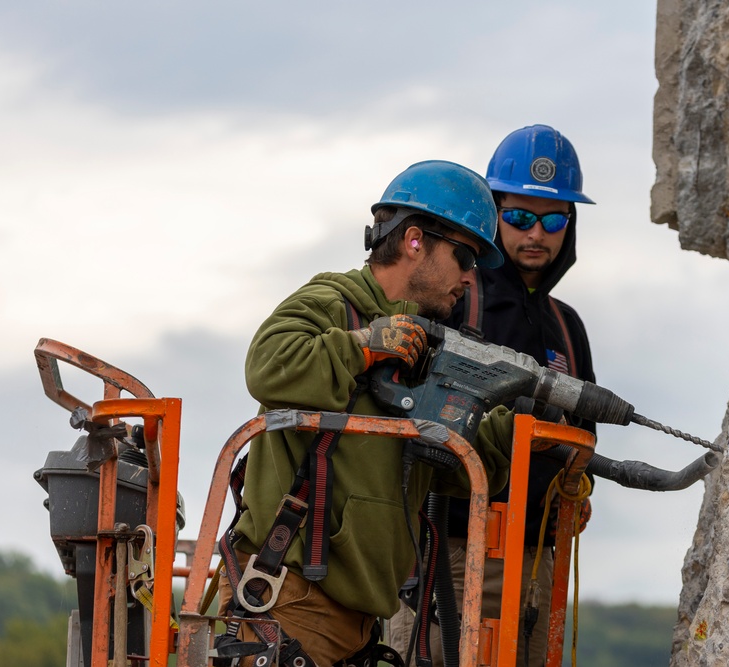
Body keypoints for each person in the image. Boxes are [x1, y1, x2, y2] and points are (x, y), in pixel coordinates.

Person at [217, 160, 517, 667]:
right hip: (286, 606)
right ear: (415, 240)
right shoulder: (333, 302)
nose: (470, 277)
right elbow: (267, 366)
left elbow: (450, 470)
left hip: (353, 627)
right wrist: (363, 346)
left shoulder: (425, 353)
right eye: (465, 255)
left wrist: (517, 428)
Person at [388, 125, 597, 667]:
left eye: (554, 219)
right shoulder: (456, 298)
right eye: (520, 217)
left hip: (538, 561)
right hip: (452, 552)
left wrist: (582, 486)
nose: (537, 233)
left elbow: (582, 440)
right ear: (493, 211)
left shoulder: (567, 327)